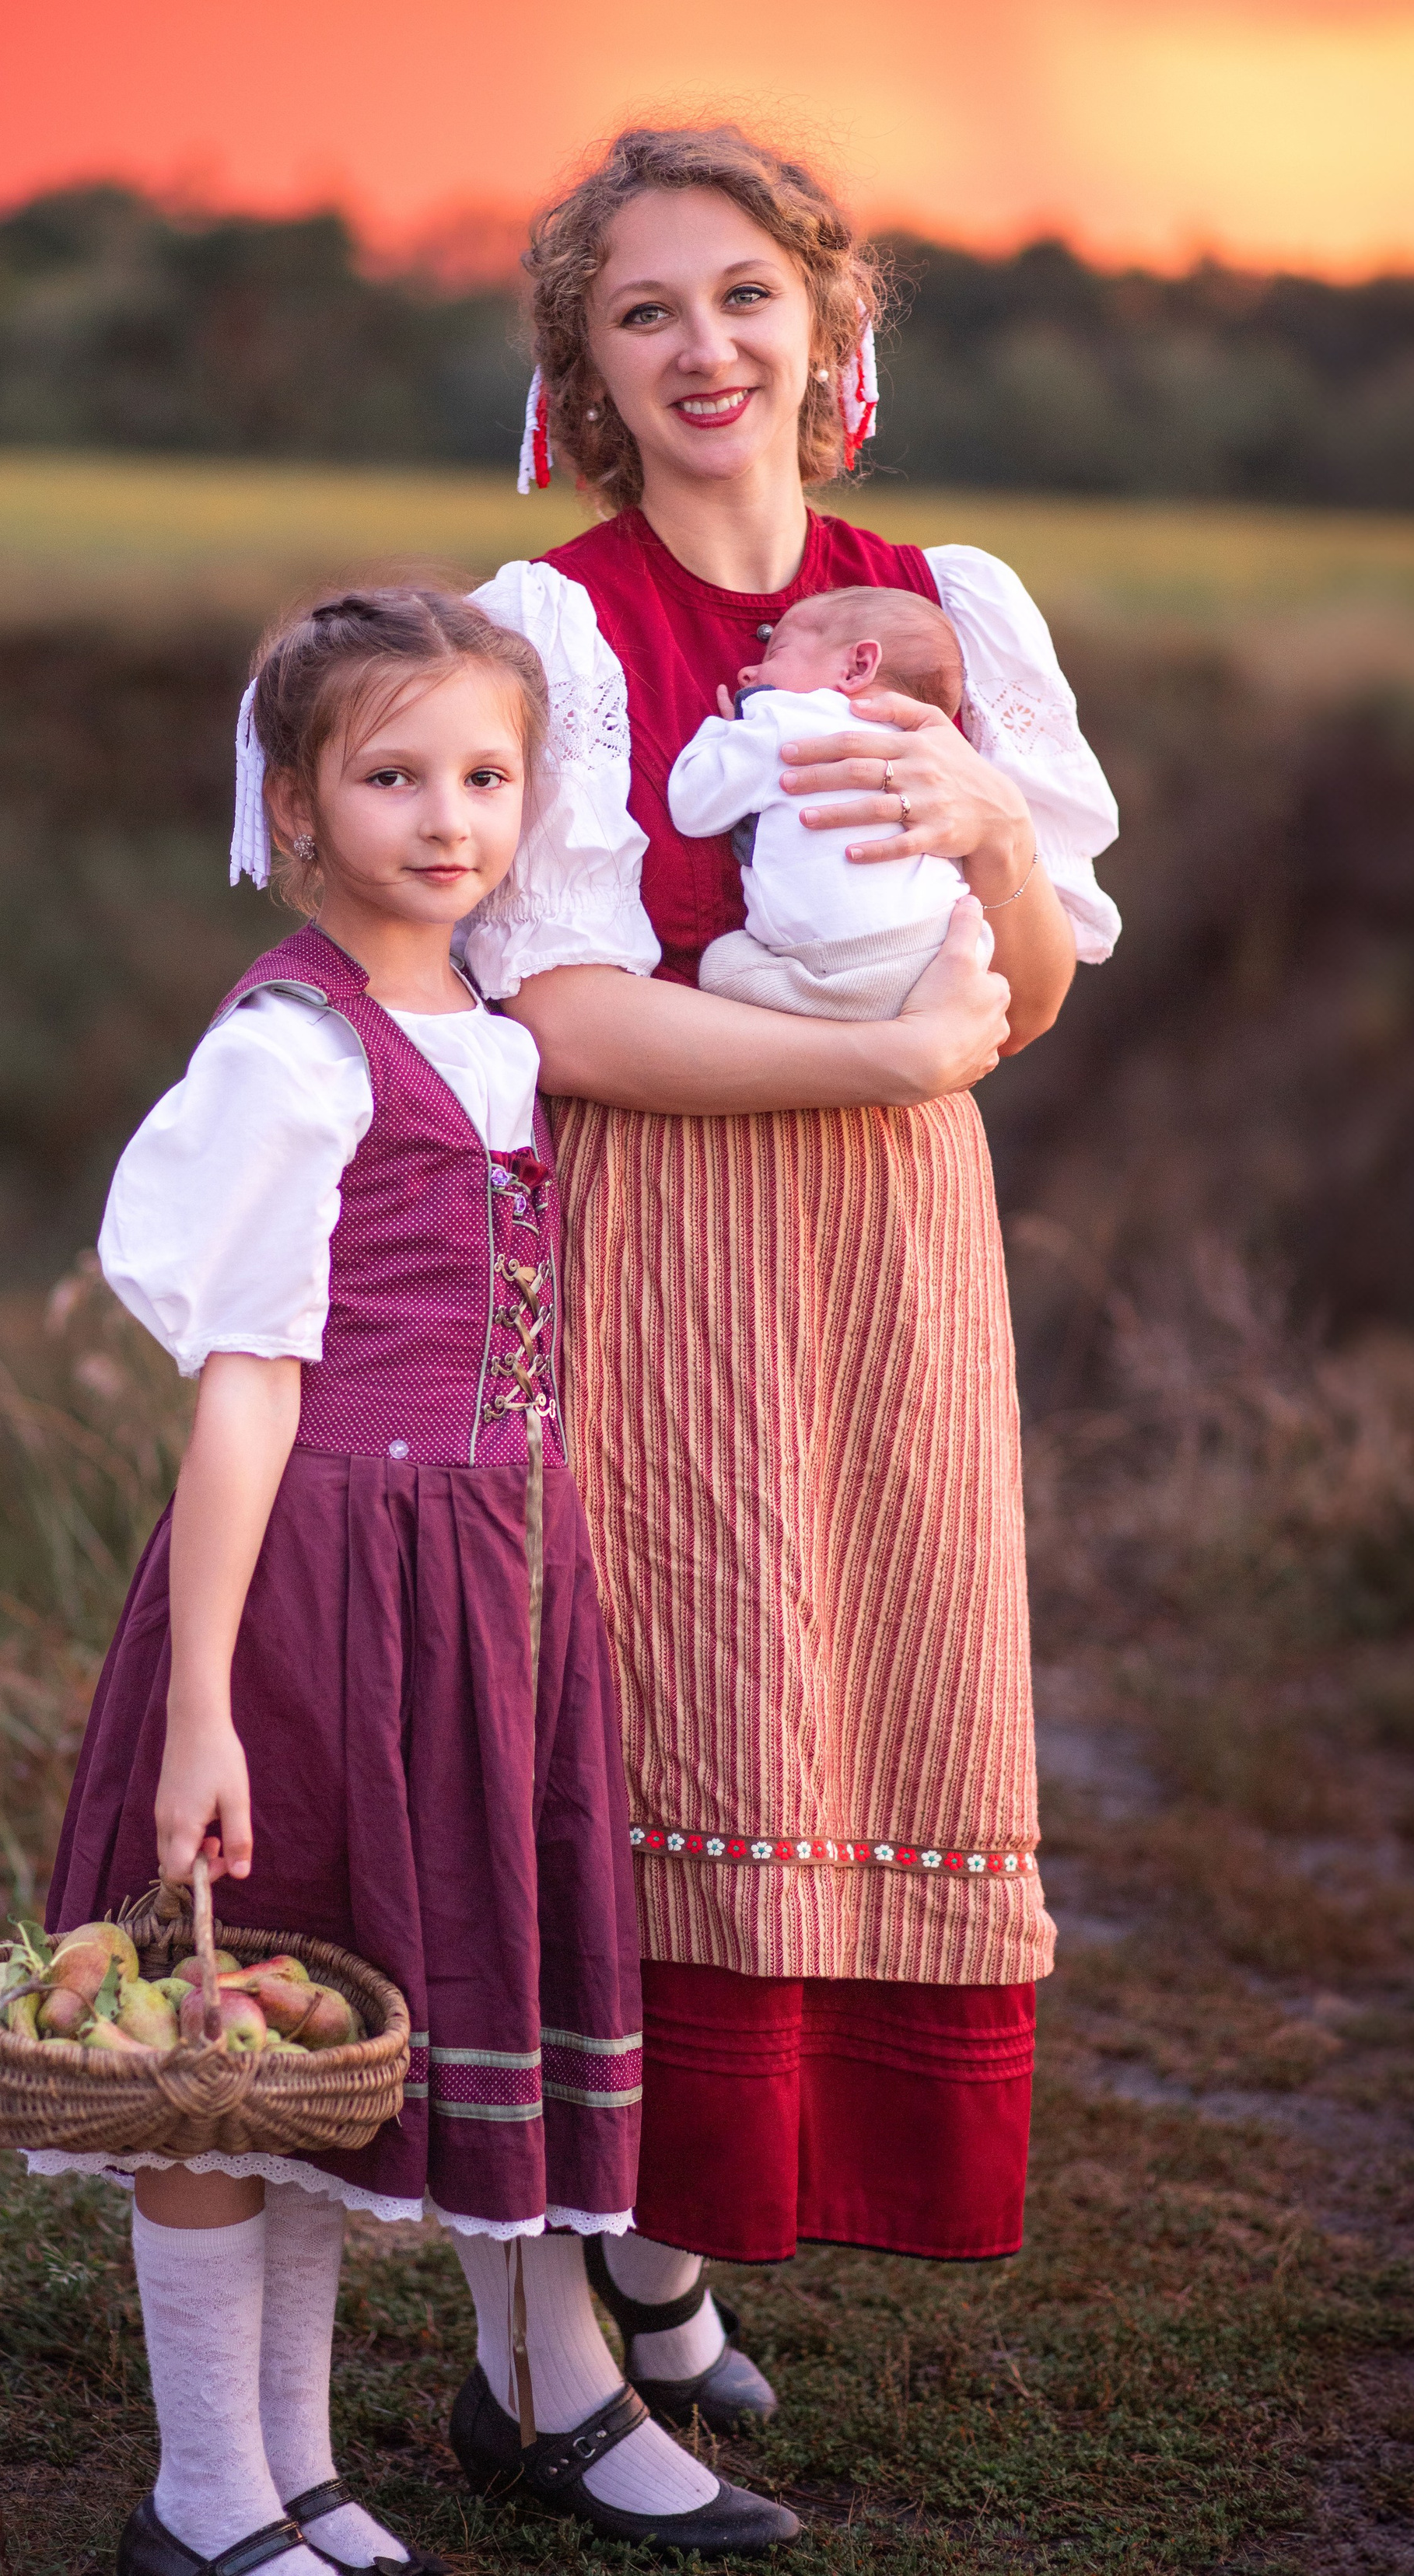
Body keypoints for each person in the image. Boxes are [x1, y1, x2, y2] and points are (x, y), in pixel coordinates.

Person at [448, 123, 1123, 2536]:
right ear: (587, 373)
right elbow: (567, 1010)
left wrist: (986, 838)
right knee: (624, 1735)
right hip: (647, 1231)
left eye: (742, 297)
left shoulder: (947, 600)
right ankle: (533, 2371)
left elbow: (1029, 991)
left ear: (830, 335)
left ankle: (648, 2257)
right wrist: (883, 1055)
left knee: (843, 1689)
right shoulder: (544, 628)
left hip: (893, 1245)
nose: (702, 347)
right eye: (644, 313)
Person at [34, 586, 797, 2576]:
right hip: (310, 1587)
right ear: (294, 806)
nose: (443, 815)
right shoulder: (290, 1058)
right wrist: (202, 1701)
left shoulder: (484, 1030)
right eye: (388, 775)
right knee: (229, 2050)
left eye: (481, 773)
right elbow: (243, 1394)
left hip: (481, 1580)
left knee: (336, 2028)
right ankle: (207, 2494)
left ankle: (294, 2477)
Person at [672, 585, 985, 1019]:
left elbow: (692, 807)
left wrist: (726, 732)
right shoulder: (923, 748)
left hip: (840, 968)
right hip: (944, 940)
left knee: (722, 967)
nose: (747, 672)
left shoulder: (782, 718)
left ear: (858, 667)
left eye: (776, 651)